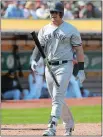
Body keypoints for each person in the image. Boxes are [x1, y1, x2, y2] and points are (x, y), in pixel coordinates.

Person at [30, 2, 85, 136]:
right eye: (51, 12)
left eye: (56, 12)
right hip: (49, 66)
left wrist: (81, 69)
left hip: (65, 65)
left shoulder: (71, 29)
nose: (53, 15)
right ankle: (69, 124)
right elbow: (39, 47)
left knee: (57, 96)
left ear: (61, 13)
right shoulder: (44, 29)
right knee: (56, 98)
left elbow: (79, 49)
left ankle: (51, 127)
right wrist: (33, 59)